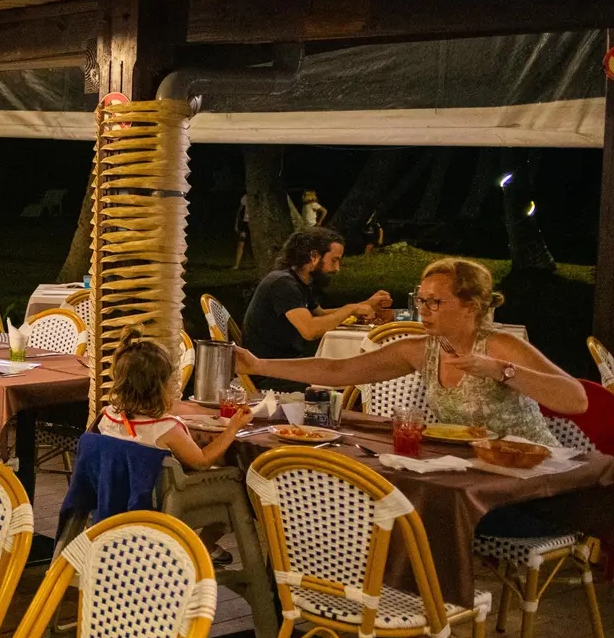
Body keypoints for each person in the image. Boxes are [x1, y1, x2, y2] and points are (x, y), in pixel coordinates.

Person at [238, 257, 585, 439]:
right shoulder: (422, 350)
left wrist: (501, 371)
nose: (424, 309)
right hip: (472, 471)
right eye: (422, 299)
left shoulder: (500, 345)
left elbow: (576, 399)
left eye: (436, 301)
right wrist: (258, 365)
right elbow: (336, 370)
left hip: (532, 478)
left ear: (471, 305)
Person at [96, 332, 254, 562]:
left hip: (115, 495)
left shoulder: (107, 416)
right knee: (239, 483)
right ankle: (202, 546)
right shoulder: (167, 428)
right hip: (164, 500)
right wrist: (233, 428)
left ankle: (203, 549)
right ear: (161, 387)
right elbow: (201, 461)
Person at [239, 227, 390, 388]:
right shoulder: (283, 284)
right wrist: (351, 309)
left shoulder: (299, 282)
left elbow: (321, 315)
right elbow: (310, 330)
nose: (337, 268)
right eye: (334, 260)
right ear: (314, 257)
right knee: (346, 378)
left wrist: (365, 304)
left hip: (285, 364)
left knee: (347, 375)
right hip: (269, 373)